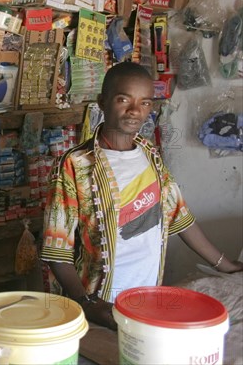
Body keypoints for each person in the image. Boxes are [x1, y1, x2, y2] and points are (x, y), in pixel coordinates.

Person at [40, 62, 243, 330]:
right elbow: (57, 249)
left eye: (145, 103)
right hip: (100, 303)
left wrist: (226, 264)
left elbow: (179, 216)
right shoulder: (75, 164)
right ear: (103, 101)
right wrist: (88, 303)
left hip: (148, 298)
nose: (135, 111)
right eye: (124, 99)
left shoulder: (151, 156)